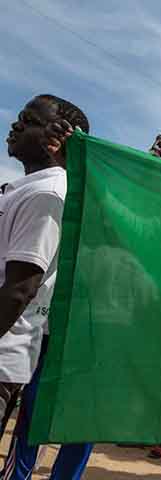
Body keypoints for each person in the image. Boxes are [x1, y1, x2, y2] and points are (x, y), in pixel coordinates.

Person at [0, 95, 94, 479]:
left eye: (29, 120)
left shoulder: (48, 193)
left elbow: (20, 289)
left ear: (58, 138)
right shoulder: (24, 187)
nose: (16, 125)